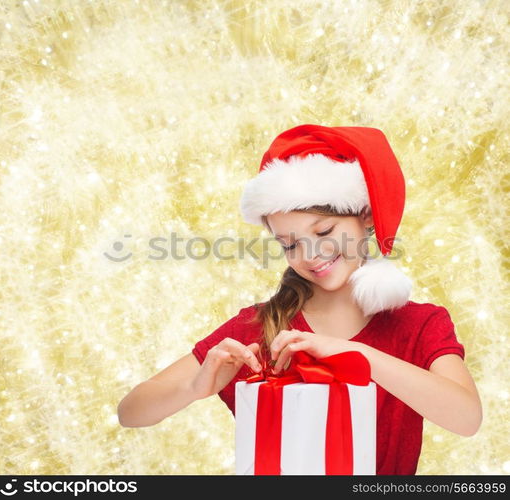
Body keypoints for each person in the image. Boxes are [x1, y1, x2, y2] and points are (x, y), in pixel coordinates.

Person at [117, 124, 482, 475]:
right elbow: (131, 412)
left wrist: (356, 356)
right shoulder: (263, 328)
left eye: (324, 230)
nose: (310, 254)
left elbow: (466, 418)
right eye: (289, 244)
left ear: (366, 216)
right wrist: (194, 388)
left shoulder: (418, 325)